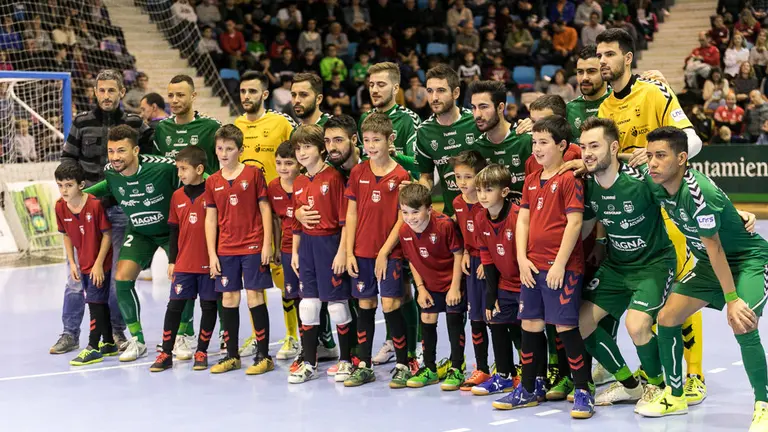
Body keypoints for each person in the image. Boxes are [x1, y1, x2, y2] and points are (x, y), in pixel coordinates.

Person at [596, 28, 708, 401]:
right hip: (634, 213)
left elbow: (692, 140)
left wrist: (655, 150)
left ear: (628, 58)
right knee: (647, 301)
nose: (602, 62)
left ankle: (694, 375)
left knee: (681, 290)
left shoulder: (653, 90)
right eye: (600, 55)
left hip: (668, 207)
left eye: (609, 54)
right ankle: (654, 374)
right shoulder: (604, 109)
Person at [637, 127, 768, 431]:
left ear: (682, 158)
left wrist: (732, 300)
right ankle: (674, 395)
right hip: (711, 264)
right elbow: (614, 166)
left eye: (661, 156)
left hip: (747, 260)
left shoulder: (698, 193)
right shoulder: (654, 180)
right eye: (650, 155)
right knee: (668, 317)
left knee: (742, 322)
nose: (653, 163)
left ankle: (763, 403)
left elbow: (716, 247)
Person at [494, 116, 594, 419]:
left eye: (544, 143)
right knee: (531, 324)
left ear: (562, 145)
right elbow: (523, 218)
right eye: (534, 142)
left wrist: (560, 264)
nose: (536, 148)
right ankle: (529, 387)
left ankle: (582, 390)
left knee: (565, 327)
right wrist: (522, 258)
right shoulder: (530, 179)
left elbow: (575, 222)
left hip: (561, 268)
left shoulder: (569, 179)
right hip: (532, 266)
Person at [576, 116, 672, 408]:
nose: (587, 153)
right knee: (578, 323)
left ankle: (657, 387)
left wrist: (737, 214)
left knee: (636, 324)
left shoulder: (641, 181)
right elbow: (582, 229)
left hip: (653, 265)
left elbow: (685, 192)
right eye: (583, 147)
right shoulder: (589, 187)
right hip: (617, 267)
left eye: (595, 145)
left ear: (614, 147)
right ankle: (629, 384)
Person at [55, 69, 150, 355]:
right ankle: (70, 333)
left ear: (122, 92)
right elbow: (67, 162)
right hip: (84, 213)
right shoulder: (82, 123)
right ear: (95, 92)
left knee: (116, 278)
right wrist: (74, 199)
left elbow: (150, 160)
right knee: (77, 278)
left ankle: (116, 333)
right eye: (101, 90)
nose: (106, 96)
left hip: (121, 212)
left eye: (111, 90)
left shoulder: (135, 123)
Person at [83, 125, 193, 362]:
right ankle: (137, 340)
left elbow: (194, 177)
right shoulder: (111, 172)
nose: (115, 157)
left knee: (181, 279)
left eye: (121, 151)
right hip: (141, 232)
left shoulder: (163, 167)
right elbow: (107, 187)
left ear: (135, 150)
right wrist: (81, 195)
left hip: (171, 231)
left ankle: (184, 335)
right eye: (111, 151)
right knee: (122, 278)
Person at [234, 71, 299, 361]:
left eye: (252, 91)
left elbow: (299, 154)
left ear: (263, 94)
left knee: (285, 276)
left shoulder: (281, 122)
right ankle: (257, 334)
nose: (246, 96)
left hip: (280, 214)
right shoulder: (234, 126)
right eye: (242, 91)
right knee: (253, 280)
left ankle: (293, 336)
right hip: (248, 216)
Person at [343, 113, 413, 388]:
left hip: (390, 254)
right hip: (361, 252)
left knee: (391, 305)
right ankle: (364, 365)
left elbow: (402, 218)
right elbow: (351, 214)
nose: (371, 146)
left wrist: (384, 252)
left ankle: (403, 363)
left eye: (377, 140)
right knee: (365, 306)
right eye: (367, 140)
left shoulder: (401, 175)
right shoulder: (358, 171)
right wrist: (349, 252)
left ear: (390, 139)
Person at [204, 125, 274, 375]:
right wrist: (212, 254)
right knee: (229, 298)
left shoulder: (254, 174)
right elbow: (210, 219)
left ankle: (264, 355)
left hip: (253, 244)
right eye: (220, 148)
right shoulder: (212, 181)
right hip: (226, 248)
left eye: (229, 149)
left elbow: (265, 209)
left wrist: (267, 243)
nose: (223, 153)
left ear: (240, 150)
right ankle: (232, 355)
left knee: (255, 296)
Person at [288, 125, 353, 384]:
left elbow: (345, 220)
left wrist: (342, 253)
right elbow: (295, 219)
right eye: (298, 147)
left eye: (307, 147)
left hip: (330, 245)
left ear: (321, 149)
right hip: (307, 249)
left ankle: (347, 360)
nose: (302, 152)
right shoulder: (300, 181)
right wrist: (295, 251)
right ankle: (308, 362)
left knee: (337, 307)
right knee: (308, 306)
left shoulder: (334, 178)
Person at [150, 146, 219, 372]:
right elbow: (174, 231)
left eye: (183, 169)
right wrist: (172, 260)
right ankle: (166, 353)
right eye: (178, 169)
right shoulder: (177, 196)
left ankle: (201, 350)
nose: (179, 174)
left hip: (208, 263)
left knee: (208, 307)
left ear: (199, 169)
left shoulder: (212, 192)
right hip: (184, 264)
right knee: (175, 307)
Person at [397, 183, 466, 389]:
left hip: (451, 281)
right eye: (405, 212)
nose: (411, 218)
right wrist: (421, 288)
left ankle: (456, 368)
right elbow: (412, 260)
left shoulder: (444, 225)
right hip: (429, 284)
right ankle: (430, 368)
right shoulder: (404, 231)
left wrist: (455, 287)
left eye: (415, 212)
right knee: (427, 317)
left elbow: (458, 254)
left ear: (429, 209)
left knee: (454, 319)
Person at [469, 163, 524, 399]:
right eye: (480, 190)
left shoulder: (518, 216)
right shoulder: (481, 218)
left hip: (525, 284)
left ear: (504, 192)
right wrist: (491, 298)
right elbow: (488, 258)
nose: (482, 195)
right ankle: (503, 376)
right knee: (497, 323)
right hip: (504, 284)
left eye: (488, 190)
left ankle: (532, 375)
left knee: (526, 330)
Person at [55, 163, 116, 366]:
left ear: (81, 185)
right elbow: (66, 235)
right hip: (82, 262)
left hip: (99, 263)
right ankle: (108, 343)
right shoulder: (59, 206)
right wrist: (72, 263)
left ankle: (93, 347)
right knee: (99, 302)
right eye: (60, 185)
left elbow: (107, 235)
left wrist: (99, 263)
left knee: (95, 303)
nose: (64, 190)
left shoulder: (95, 205)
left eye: (69, 185)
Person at [449, 150, 500, 391]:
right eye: (458, 177)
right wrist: (468, 253)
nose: (462, 183)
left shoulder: (488, 202)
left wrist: (487, 262)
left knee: (499, 319)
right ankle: (481, 367)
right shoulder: (457, 203)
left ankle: (509, 367)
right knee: (476, 318)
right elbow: (463, 233)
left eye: (468, 177)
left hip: (493, 264)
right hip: (473, 264)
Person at [414, 64, 480, 216]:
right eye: (430, 91)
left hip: (485, 214)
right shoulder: (424, 132)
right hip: (452, 214)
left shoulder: (477, 121)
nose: (434, 98)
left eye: (441, 91)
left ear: (456, 92)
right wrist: (418, 191)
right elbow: (426, 176)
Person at [268, 141, 302, 364]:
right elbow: (276, 220)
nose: (283, 168)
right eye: (279, 163)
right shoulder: (273, 187)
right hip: (287, 248)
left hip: (309, 247)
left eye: (288, 163)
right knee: (290, 294)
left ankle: (319, 339)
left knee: (313, 298)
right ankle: (293, 337)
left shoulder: (306, 183)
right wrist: (277, 247)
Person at [359, 62, 421, 177]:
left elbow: (418, 163)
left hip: (398, 188)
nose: (374, 90)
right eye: (371, 85)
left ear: (395, 88)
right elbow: (360, 158)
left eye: (381, 85)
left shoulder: (409, 119)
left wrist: (395, 154)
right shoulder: (365, 118)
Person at [152, 75, 222, 174]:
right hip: (172, 189)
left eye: (180, 95)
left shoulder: (212, 127)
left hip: (205, 189)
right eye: (170, 95)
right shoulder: (161, 128)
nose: (174, 100)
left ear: (193, 96)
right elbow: (157, 166)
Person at [567, 45, 611, 143]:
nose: (584, 78)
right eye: (580, 72)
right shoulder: (569, 109)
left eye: (591, 71)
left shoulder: (619, 101)